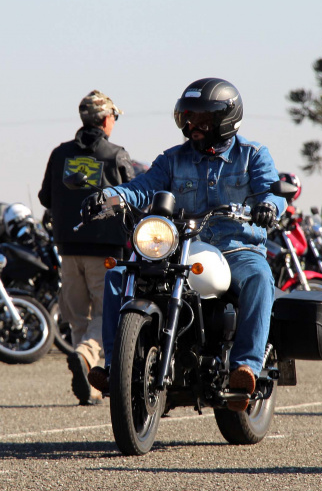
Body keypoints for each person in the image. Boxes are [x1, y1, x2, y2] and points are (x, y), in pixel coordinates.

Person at [84, 78, 285, 412]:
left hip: (238, 248)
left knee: (259, 278)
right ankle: (114, 365)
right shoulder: (173, 159)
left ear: (226, 119)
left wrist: (269, 207)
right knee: (119, 275)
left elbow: (272, 193)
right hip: (181, 245)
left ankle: (245, 366)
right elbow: (143, 186)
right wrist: (110, 197)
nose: (193, 126)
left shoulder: (253, 155)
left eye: (203, 120)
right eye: (188, 118)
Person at [39, 90, 135, 406]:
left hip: (67, 247)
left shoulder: (60, 153)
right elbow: (134, 197)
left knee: (79, 317)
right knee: (108, 314)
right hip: (106, 249)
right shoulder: (115, 155)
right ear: (107, 120)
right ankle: (85, 355)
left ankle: (91, 386)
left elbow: (45, 198)